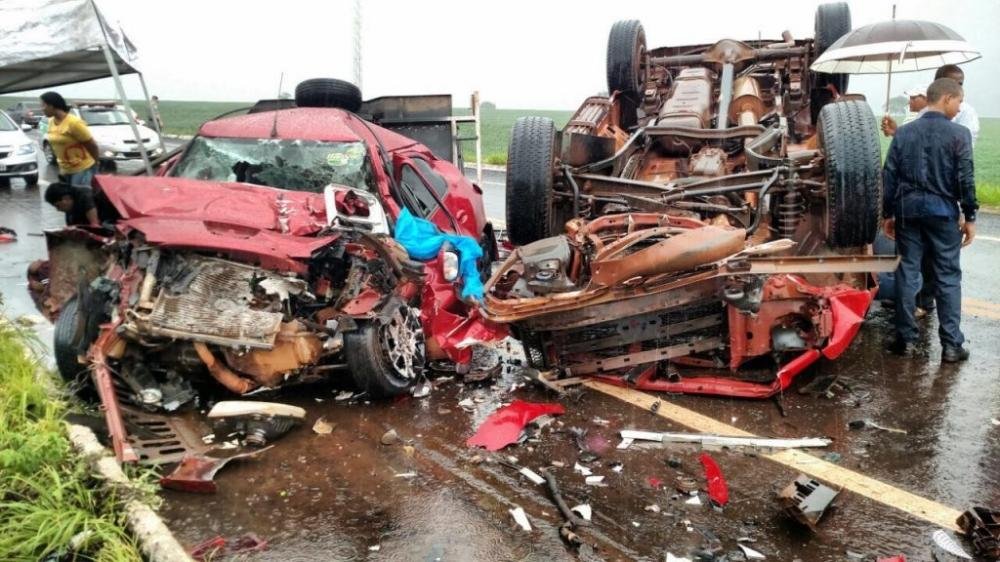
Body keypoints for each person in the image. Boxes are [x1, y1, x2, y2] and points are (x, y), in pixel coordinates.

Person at [882, 78, 977, 363]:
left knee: (907, 272)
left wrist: (888, 214)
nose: (959, 107)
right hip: (943, 213)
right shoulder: (959, 134)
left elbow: (889, 176)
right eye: (958, 101)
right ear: (946, 98)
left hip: (908, 212)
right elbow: (965, 178)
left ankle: (904, 339)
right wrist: (970, 215)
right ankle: (952, 345)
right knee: (947, 275)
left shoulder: (904, 133)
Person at [40, 91, 99, 188]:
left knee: (79, 196)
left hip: (82, 168)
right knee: (67, 196)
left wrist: (95, 164)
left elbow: (92, 145)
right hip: (65, 170)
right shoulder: (51, 122)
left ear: (51, 106)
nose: (41, 108)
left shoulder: (74, 122)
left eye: (43, 105)